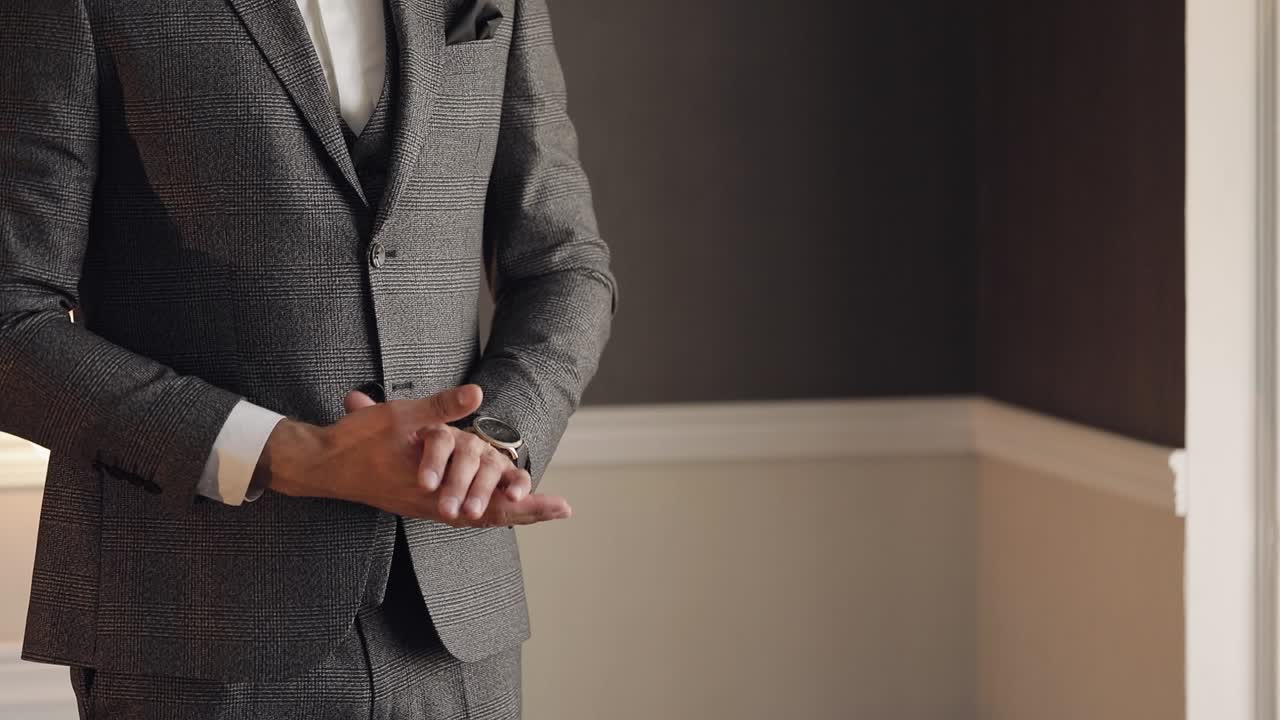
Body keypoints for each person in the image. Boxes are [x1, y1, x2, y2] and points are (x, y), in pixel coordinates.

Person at [0, 0, 616, 716]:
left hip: (451, 638)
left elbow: (565, 266)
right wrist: (285, 453)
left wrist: (497, 434)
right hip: (194, 635)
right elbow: (13, 324)